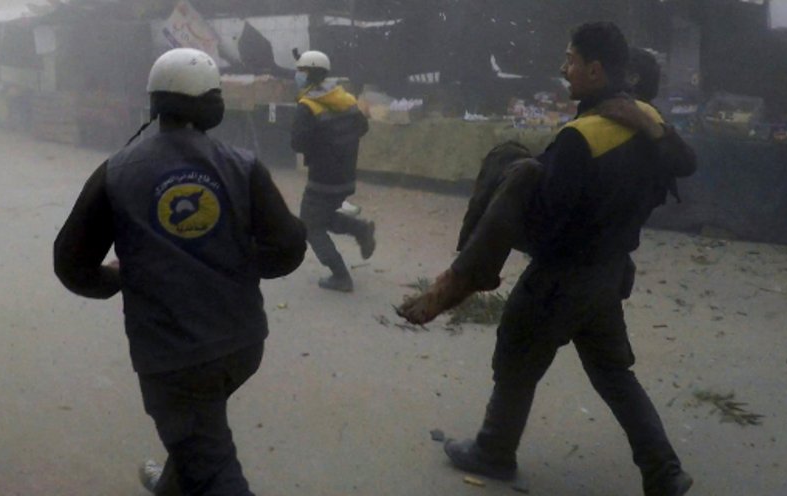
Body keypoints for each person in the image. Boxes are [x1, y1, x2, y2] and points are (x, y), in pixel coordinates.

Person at [399, 23, 692, 496]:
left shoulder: (580, 138)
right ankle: (664, 471)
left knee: (516, 356)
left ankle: (493, 451)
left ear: (595, 70)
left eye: (571, 59)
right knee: (614, 373)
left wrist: (510, 198)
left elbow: (549, 225)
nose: (563, 68)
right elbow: (685, 162)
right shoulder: (646, 121)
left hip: (561, 280)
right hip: (609, 275)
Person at [53, 47, 307, 496]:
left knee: (210, 460)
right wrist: (241, 262)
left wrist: (118, 279)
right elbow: (288, 248)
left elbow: (71, 265)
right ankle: (174, 482)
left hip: (173, 356)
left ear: (156, 103)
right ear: (212, 106)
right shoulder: (243, 166)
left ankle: (193, 472)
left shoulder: (116, 171)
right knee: (197, 430)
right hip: (243, 345)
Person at [399, 45, 697, 322]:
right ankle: (466, 267)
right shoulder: (637, 120)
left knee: (518, 166)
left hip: (568, 263)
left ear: (630, 78)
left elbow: (558, 187)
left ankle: (463, 273)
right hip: (607, 260)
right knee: (607, 358)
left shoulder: (624, 119)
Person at [291, 50, 376, 292]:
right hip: (346, 175)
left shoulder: (307, 106)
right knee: (324, 217)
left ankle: (340, 276)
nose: (298, 75)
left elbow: (297, 144)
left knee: (310, 225)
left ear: (308, 74)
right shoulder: (345, 98)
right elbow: (363, 127)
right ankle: (361, 229)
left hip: (322, 178)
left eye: (300, 71)